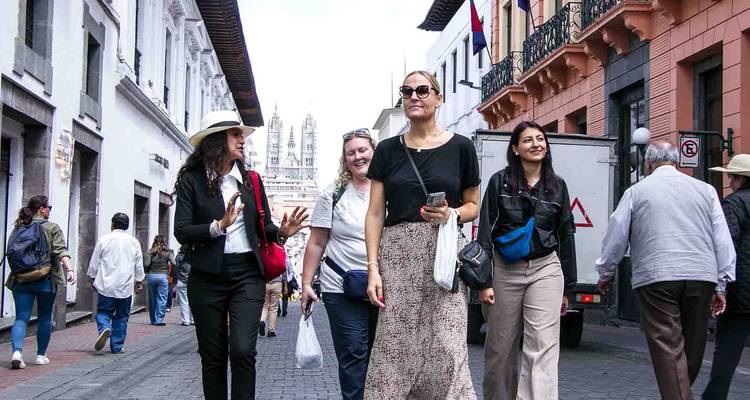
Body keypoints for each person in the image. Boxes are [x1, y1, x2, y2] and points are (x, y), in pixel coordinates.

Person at [173, 109, 309, 400]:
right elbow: (182, 231)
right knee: (213, 356)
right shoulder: (192, 180)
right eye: (235, 134)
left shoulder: (251, 180)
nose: (242, 140)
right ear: (216, 140)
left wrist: (282, 232)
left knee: (243, 350)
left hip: (247, 274)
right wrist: (218, 226)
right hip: (207, 277)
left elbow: (264, 227)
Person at [363, 71, 480, 399]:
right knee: (394, 347)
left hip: (445, 256)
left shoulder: (461, 147)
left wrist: (451, 214)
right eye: (407, 91)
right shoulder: (386, 150)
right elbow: (374, 213)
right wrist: (373, 267)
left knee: (447, 345)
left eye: (422, 90)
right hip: (397, 258)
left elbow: (473, 206)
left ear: (438, 98)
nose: (414, 96)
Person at [596, 141, 735, 400]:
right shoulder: (705, 190)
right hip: (700, 274)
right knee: (692, 348)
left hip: (657, 275)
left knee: (667, 347)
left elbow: (616, 235)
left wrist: (605, 272)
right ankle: (680, 392)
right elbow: (722, 238)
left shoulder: (637, 191)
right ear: (678, 161)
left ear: (649, 164)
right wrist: (722, 283)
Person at [477, 121, 577, 400]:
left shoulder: (557, 186)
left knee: (542, 346)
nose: (536, 144)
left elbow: (566, 235)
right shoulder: (500, 181)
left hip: (545, 268)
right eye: (528, 140)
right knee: (500, 348)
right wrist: (484, 282)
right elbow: (485, 231)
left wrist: (568, 287)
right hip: (505, 270)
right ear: (515, 149)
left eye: (541, 139)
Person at [301, 128, 378, 400]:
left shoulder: (390, 190)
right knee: (354, 357)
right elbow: (317, 242)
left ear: (374, 151)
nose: (358, 157)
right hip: (341, 288)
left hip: (383, 288)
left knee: (381, 358)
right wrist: (307, 283)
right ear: (344, 159)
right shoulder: (332, 194)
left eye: (362, 150)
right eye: (351, 153)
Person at [6, 195, 76, 369]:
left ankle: (17, 352)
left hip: (21, 279)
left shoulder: (19, 227)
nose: (49, 211)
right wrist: (70, 269)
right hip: (45, 279)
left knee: (21, 317)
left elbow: (10, 252)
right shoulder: (52, 227)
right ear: (42, 209)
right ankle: (40, 355)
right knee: (45, 317)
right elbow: (60, 251)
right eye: (48, 208)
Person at [703, 154, 750, 399]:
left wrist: (719, 287)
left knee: (726, 355)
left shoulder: (733, 204)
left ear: (739, 179)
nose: (729, 181)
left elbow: (726, 244)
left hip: (740, 294)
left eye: (731, 176)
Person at [87, 213, 145, 353]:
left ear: (112, 224)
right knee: (122, 316)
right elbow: (138, 264)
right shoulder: (133, 242)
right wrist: (139, 280)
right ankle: (117, 346)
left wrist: (92, 278)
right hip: (124, 286)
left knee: (103, 312)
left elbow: (94, 263)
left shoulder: (103, 240)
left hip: (106, 285)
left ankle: (104, 327)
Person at [143, 235, 175, 326]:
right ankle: (159, 320)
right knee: (162, 298)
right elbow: (174, 263)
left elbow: (146, 264)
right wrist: (169, 251)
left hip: (151, 276)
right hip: (162, 276)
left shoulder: (150, 252)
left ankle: (152, 319)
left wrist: (147, 271)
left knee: (152, 299)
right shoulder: (167, 253)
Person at [173, 244, 194, 326]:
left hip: (181, 280)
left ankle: (186, 320)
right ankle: (193, 319)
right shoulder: (193, 256)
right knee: (193, 301)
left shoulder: (178, 257)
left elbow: (176, 269)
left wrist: (175, 281)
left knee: (183, 301)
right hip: (192, 280)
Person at [259, 273, 282, 337]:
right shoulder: (278, 262)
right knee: (274, 307)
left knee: (265, 306)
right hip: (277, 283)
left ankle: (262, 320)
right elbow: (284, 271)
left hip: (266, 283)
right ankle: (271, 330)